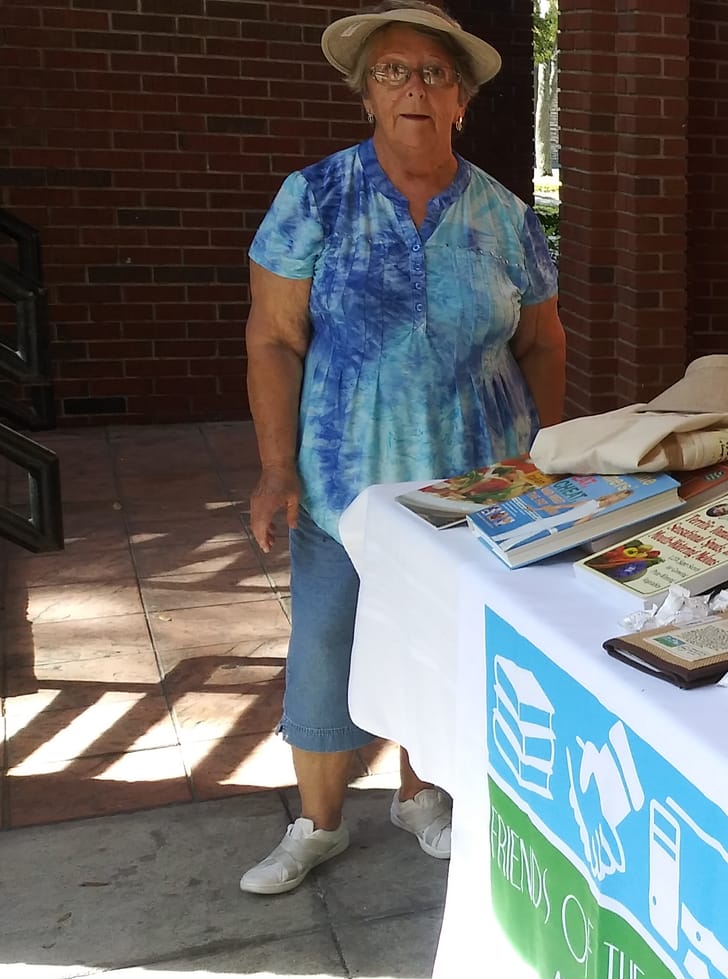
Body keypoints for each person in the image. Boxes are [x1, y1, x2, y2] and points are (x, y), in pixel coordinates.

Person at [241, 0, 565, 894]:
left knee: (443, 636)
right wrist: (275, 468)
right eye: (393, 71)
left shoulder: (502, 214)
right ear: (367, 94)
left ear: (461, 98)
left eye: (434, 73)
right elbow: (272, 335)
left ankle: (423, 795)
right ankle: (318, 822)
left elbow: (542, 342)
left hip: (479, 480)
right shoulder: (316, 196)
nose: (414, 87)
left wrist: (542, 461)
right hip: (348, 474)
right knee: (329, 635)